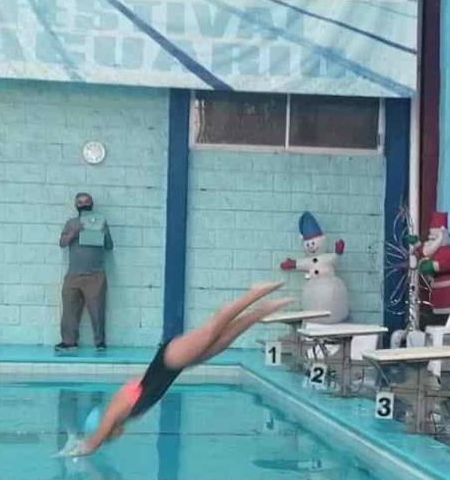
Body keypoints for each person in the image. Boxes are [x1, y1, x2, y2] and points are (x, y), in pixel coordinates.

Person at [59, 282, 291, 457]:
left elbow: (93, 443)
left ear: (106, 429)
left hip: (170, 359)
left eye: (110, 438)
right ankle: (261, 311)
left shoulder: (115, 412)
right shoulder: (125, 414)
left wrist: (78, 447)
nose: (115, 438)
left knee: (213, 328)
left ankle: (255, 292)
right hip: (175, 366)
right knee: (222, 340)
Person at [56, 192, 113, 354]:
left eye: (86, 202)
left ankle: (100, 342)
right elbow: (62, 243)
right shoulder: (71, 223)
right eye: (79, 202)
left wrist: (104, 233)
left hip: (95, 275)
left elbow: (109, 247)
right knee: (69, 310)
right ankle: (69, 342)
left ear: (92, 203)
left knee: (97, 310)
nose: (83, 205)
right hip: (74, 274)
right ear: (76, 205)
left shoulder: (100, 222)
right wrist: (74, 232)